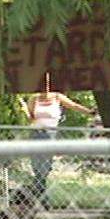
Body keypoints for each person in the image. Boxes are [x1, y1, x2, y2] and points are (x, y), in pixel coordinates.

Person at [22, 73, 95, 207]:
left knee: (45, 166)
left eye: (49, 83)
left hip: (50, 134)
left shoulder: (57, 97)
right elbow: (31, 117)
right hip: (36, 133)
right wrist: (26, 112)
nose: (46, 87)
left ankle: (40, 196)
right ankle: (42, 199)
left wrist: (89, 112)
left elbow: (74, 106)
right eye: (44, 83)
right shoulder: (34, 99)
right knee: (37, 166)